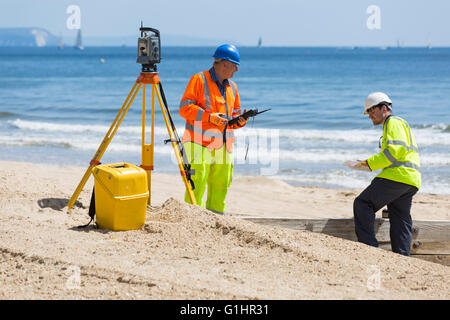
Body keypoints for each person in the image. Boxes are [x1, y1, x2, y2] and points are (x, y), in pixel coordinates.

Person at [179, 44, 247, 214]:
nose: (236, 70)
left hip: (224, 146)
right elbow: (184, 108)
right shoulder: (199, 80)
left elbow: (233, 118)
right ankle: (192, 219)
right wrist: (210, 117)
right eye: (234, 65)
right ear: (224, 64)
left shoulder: (233, 87)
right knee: (197, 184)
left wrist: (242, 120)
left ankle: (216, 218)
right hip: (197, 144)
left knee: (221, 185)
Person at [353, 92, 421, 256]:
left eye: (371, 111)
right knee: (400, 217)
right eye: (368, 112)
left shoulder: (393, 122)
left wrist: (368, 164)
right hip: (411, 180)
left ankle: (369, 248)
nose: (369, 116)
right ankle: (401, 256)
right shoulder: (400, 123)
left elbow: (393, 153)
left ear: (384, 108)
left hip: (397, 176)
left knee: (363, 204)